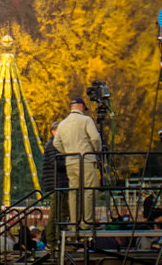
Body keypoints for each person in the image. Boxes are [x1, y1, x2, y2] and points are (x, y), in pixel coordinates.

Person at [53, 96, 102, 229]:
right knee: (88, 191)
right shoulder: (86, 120)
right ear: (81, 107)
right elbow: (95, 138)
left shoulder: (62, 124)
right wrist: (96, 152)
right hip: (86, 160)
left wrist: (68, 152)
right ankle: (86, 222)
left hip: (71, 162)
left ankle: (74, 223)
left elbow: (56, 143)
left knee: (73, 191)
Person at [41, 120, 69, 248]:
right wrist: (70, 162)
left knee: (60, 211)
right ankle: (52, 241)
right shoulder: (53, 145)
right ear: (54, 132)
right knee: (56, 212)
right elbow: (56, 163)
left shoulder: (53, 144)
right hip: (56, 182)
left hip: (58, 182)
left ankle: (56, 239)